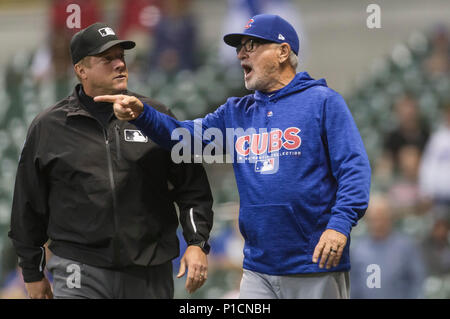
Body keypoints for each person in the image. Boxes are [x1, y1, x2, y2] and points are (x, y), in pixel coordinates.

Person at [96, 14, 371, 299]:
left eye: (251, 45)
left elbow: (353, 169)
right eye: (239, 47)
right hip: (257, 268)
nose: (241, 54)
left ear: (283, 52)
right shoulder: (237, 112)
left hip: (314, 263)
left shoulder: (322, 102)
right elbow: (184, 139)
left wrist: (339, 225)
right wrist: (143, 115)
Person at [8, 22, 214, 299]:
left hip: (149, 268)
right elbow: (27, 205)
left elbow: (192, 187)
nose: (119, 64)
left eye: (121, 56)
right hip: (78, 268)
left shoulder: (155, 116)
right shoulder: (49, 127)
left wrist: (197, 243)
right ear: (81, 70)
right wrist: (32, 272)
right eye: (107, 59)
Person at [350, 195, 426, 298]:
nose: (378, 224)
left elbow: (417, 282)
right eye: (374, 219)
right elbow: (353, 285)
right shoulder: (358, 249)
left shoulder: (406, 247)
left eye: (381, 218)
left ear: (390, 218)